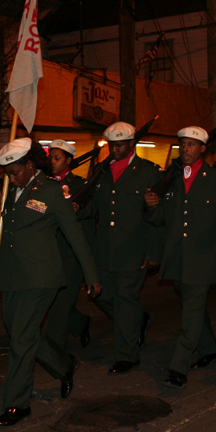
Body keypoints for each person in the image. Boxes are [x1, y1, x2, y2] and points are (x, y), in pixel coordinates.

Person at [0, 138, 101, 427]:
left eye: (15, 171)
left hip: (40, 278)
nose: (10, 178)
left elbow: (75, 236)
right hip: (12, 276)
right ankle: (64, 366)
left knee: (21, 341)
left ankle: (17, 405)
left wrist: (92, 275)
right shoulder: (11, 192)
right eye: (7, 173)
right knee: (21, 333)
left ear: (31, 164)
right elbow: (2, 236)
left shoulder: (51, 192)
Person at [144, 126, 216, 389]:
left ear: (203, 148)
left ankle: (179, 366)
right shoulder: (171, 178)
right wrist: (152, 206)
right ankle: (209, 349)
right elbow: (162, 219)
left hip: (203, 257)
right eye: (182, 144)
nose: (185, 149)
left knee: (191, 312)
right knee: (192, 307)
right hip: (176, 257)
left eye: (191, 145)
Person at [78, 122, 161, 375]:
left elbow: (159, 216)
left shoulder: (148, 171)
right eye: (112, 144)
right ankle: (137, 320)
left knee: (126, 301)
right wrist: (77, 208)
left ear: (132, 143)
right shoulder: (101, 171)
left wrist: (154, 252)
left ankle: (127, 355)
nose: (114, 149)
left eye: (120, 144)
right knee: (99, 294)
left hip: (133, 248)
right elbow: (96, 207)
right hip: (104, 249)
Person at [45, 139, 95, 353]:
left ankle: (55, 353)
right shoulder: (43, 185)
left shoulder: (80, 185)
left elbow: (93, 209)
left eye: (57, 158)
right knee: (50, 298)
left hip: (70, 254)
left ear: (68, 160)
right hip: (47, 252)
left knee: (61, 302)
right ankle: (80, 323)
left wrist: (78, 208)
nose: (53, 162)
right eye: (51, 158)